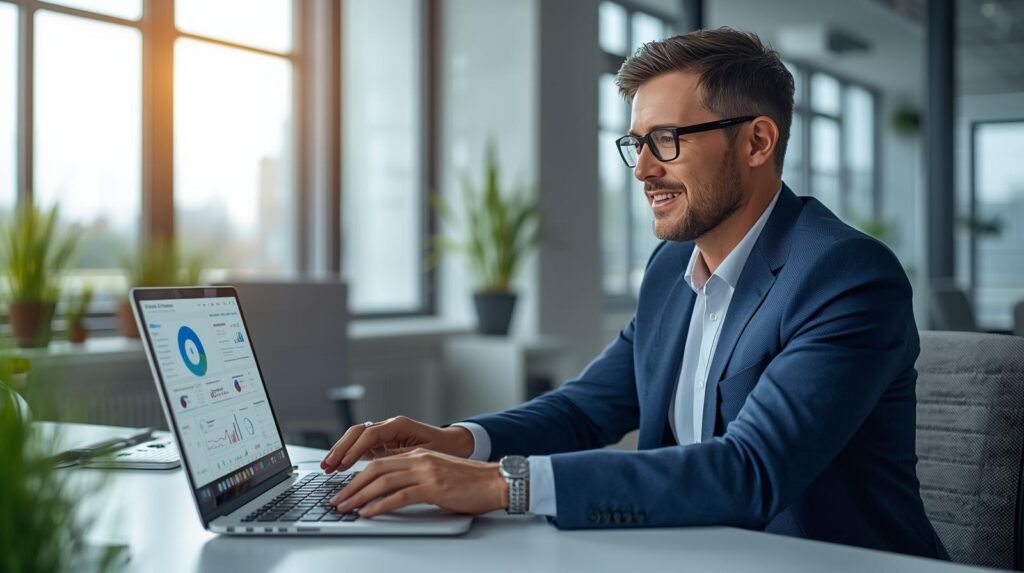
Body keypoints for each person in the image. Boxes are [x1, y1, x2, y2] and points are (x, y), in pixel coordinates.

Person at [320, 28, 948, 559]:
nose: (644, 169)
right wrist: (455, 442)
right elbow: (586, 409)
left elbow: (751, 471)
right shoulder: (670, 267)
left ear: (758, 141)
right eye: (637, 144)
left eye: (667, 140)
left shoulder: (846, 275)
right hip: (689, 555)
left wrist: (499, 484)